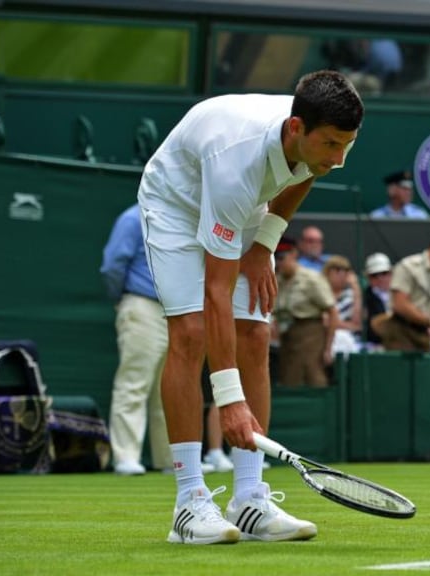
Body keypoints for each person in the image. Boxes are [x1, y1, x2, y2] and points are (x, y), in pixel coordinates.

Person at [137, 70, 363, 544]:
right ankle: (189, 501)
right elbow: (215, 294)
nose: (339, 158)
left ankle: (248, 500)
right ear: (296, 128)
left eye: (346, 144)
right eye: (331, 144)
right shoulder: (236, 162)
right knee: (191, 332)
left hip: (244, 211)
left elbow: (307, 172)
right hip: (178, 203)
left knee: (256, 334)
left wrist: (264, 243)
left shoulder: (321, 139)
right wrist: (230, 401)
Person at [100, 203, 172, 476]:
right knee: (134, 382)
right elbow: (112, 265)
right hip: (142, 304)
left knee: (171, 388)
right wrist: (122, 299)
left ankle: (171, 459)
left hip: (176, 311)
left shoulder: (179, 215)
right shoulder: (132, 218)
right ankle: (125, 457)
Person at [272, 237, 337, 388]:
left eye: (282, 258)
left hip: (310, 334)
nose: (279, 263)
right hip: (287, 336)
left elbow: (333, 312)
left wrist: (328, 348)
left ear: (293, 254)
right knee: (289, 379)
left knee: (313, 377)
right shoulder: (277, 280)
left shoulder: (311, 279)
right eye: (275, 258)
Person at [323, 255, 362, 355]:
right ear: (328, 272)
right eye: (337, 270)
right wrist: (348, 326)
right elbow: (325, 322)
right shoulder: (321, 293)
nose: (342, 275)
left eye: (346, 271)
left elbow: (357, 324)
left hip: (351, 340)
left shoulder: (350, 295)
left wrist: (355, 287)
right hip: (325, 338)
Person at [362, 252, 392, 349]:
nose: (380, 278)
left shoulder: (401, 294)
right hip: (374, 344)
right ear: (368, 277)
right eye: (374, 275)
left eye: (384, 273)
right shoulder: (365, 297)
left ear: (391, 273)